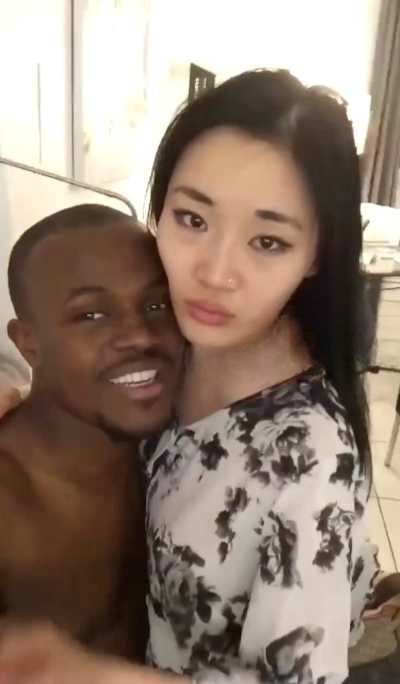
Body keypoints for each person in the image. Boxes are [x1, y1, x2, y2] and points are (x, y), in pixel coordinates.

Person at [0, 69, 387, 684]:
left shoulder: (309, 455)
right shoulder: (177, 340)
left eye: (267, 241)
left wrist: (86, 674)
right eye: (193, 220)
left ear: (317, 253)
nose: (214, 274)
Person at [0, 204, 182, 660]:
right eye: (91, 316)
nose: (140, 336)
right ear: (28, 342)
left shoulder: (184, 450)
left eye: (157, 305)